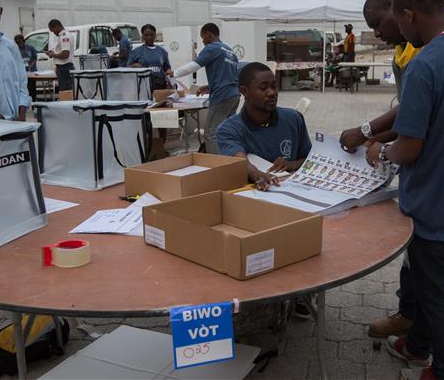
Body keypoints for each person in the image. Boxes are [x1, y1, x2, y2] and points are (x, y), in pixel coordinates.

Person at [340, 0, 444, 346]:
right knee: (440, 267)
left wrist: (380, 148)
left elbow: (413, 137)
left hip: (441, 182)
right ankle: (419, 329)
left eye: (380, 23)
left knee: (441, 278)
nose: (378, 33)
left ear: (404, 13)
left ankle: (439, 346)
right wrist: (374, 135)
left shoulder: (428, 57)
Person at [216, 61, 313, 319]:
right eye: (263, 88)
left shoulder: (293, 119)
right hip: (253, 205)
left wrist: (294, 164)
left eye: (274, 86)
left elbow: (311, 158)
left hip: (295, 202)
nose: (272, 93)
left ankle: (302, 293)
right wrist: (258, 174)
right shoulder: (229, 129)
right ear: (244, 91)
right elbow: (239, 161)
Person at [172, 23, 240, 154]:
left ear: (209, 35)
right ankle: (230, 158)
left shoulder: (212, 48)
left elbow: (194, 66)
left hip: (222, 97)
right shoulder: (230, 51)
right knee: (227, 131)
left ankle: (215, 163)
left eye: (203, 37)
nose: (203, 41)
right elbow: (229, 76)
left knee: (211, 133)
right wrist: (209, 87)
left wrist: (174, 73)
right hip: (234, 95)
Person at [128, 24, 172, 90]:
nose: (149, 37)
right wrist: (134, 67)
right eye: (146, 35)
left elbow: (167, 68)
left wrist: (169, 74)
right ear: (142, 36)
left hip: (160, 85)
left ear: (155, 35)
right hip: (143, 86)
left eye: (151, 35)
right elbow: (127, 68)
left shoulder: (162, 51)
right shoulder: (136, 51)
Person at [45, 19, 74, 92]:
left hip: (64, 68)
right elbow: (60, 51)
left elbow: (65, 54)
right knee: (65, 91)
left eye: (52, 30)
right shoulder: (61, 36)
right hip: (63, 68)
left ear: (57, 27)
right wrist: (52, 52)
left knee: (65, 91)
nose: (53, 33)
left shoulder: (64, 36)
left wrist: (53, 54)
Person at [15, 34, 38, 101]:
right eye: (17, 43)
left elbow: (35, 58)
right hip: (22, 73)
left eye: (20, 42)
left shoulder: (31, 48)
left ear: (23, 41)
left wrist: (31, 65)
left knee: (31, 88)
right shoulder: (16, 50)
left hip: (31, 72)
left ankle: (33, 102)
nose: (19, 44)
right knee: (23, 89)